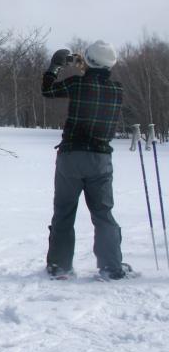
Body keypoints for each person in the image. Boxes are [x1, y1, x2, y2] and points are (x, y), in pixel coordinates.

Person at [42, 40, 132, 280]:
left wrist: (54, 68)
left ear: (89, 61)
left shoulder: (76, 84)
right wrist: (88, 67)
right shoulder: (117, 90)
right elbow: (95, 83)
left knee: (64, 212)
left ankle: (59, 267)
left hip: (71, 156)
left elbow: (48, 90)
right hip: (100, 159)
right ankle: (111, 267)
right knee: (103, 214)